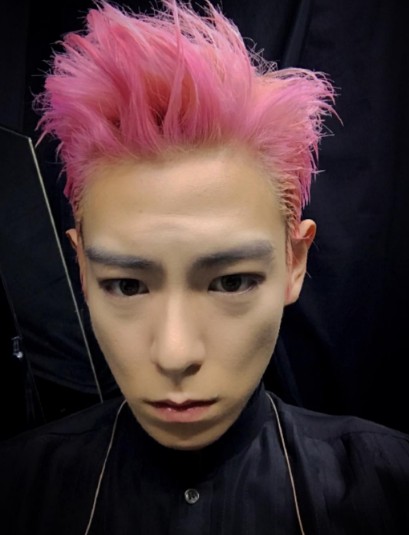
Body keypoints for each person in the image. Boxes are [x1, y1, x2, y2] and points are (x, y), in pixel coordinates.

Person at [1, 1, 408, 533]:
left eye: (231, 282)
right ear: (82, 269)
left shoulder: (389, 486)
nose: (175, 354)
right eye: (127, 286)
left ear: (294, 262)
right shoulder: (18, 489)